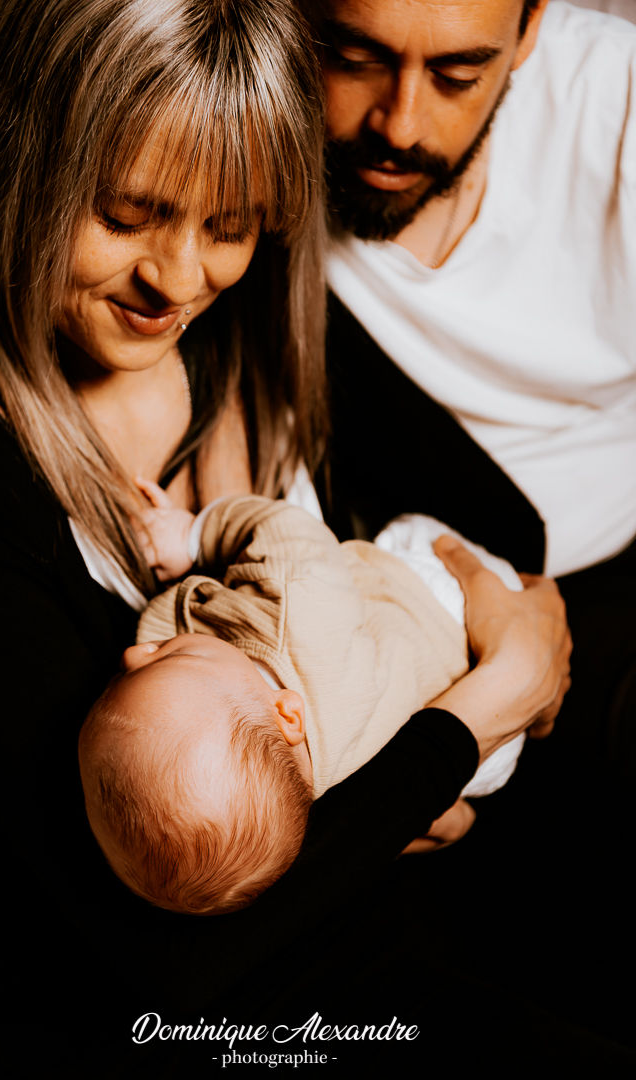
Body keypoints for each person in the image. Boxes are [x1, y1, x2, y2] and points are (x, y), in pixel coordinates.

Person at [0, 0, 577, 1076]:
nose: (178, 281)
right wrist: (477, 708)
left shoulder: (245, 331)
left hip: (361, 949)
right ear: (20, 163)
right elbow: (162, 956)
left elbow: (501, 526)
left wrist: (419, 733)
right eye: (127, 215)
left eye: (229, 227)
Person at [302, 0, 636, 1053]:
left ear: (532, 30)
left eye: (457, 75)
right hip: (412, 585)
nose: (401, 123)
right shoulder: (242, 122)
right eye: (356, 59)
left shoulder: (614, 102)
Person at [80, 492, 527, 916]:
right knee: (402, 537)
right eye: (171, 657)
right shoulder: (299, 606)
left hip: (486, 760)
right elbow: (291, 529)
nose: (133, 654)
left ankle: (462, 811)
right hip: (445, 608)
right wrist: (191, 535)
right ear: (288, 713)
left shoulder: (284, 797)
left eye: (122, 680)